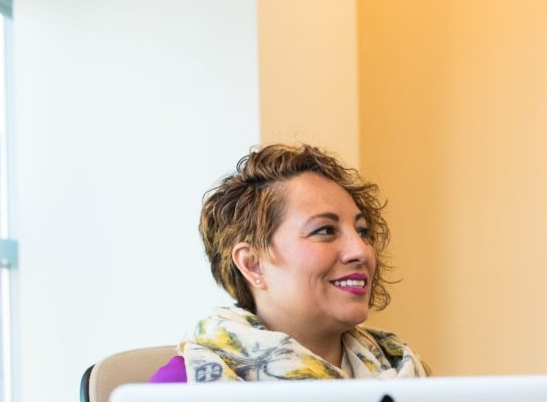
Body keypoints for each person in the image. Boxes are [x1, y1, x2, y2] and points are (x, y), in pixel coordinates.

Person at [151, 144, 429, 383]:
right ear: (253, 264)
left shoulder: (403, 371)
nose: (361, 251)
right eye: (325, 230)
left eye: (362, 232)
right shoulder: (186, 385)